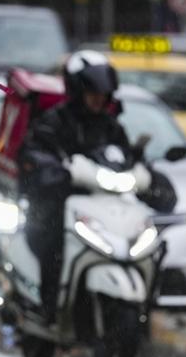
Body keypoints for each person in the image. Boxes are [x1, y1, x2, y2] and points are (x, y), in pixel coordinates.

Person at [17, 50, 132, 325]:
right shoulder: (54, 121)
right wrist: (54, 172)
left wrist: (146, 173)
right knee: (54, 243)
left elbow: (126, 156)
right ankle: (49, 305)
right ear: (77, 90)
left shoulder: (111, 125)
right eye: (92, 91)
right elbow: (33, 153)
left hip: (102, 204)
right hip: (59, 202)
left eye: (103, 93)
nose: (98, 98)